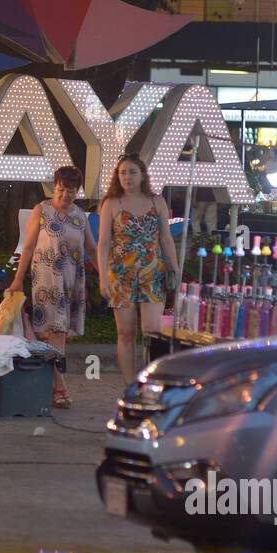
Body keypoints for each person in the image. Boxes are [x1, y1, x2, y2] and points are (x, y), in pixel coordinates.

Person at [6, 165, 98, 409]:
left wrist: (107, 278)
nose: (64, 194)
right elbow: (27, 247)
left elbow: (91, 248)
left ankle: (50, 383)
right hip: (47, 279)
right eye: (60, 189)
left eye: (70, 190)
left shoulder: (80, 216)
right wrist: (18, 279)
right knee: (55, 332)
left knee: (58, 335)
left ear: (77, 191)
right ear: (54, 187)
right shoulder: (42, 210)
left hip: (72, 281)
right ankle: (60, 387)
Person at [97, 154, 180, 384]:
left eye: (132, 172)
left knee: (151, 331)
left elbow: (166, 239)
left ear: (142, 175)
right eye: (123, 172)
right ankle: (129, 384)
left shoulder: (157, 201)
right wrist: (103, 278)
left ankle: (150, 380)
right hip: (121, 274)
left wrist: (175, 269)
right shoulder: (111, 203)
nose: (127, 177)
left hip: (152, 272)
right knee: (125, 333)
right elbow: (103, 243)